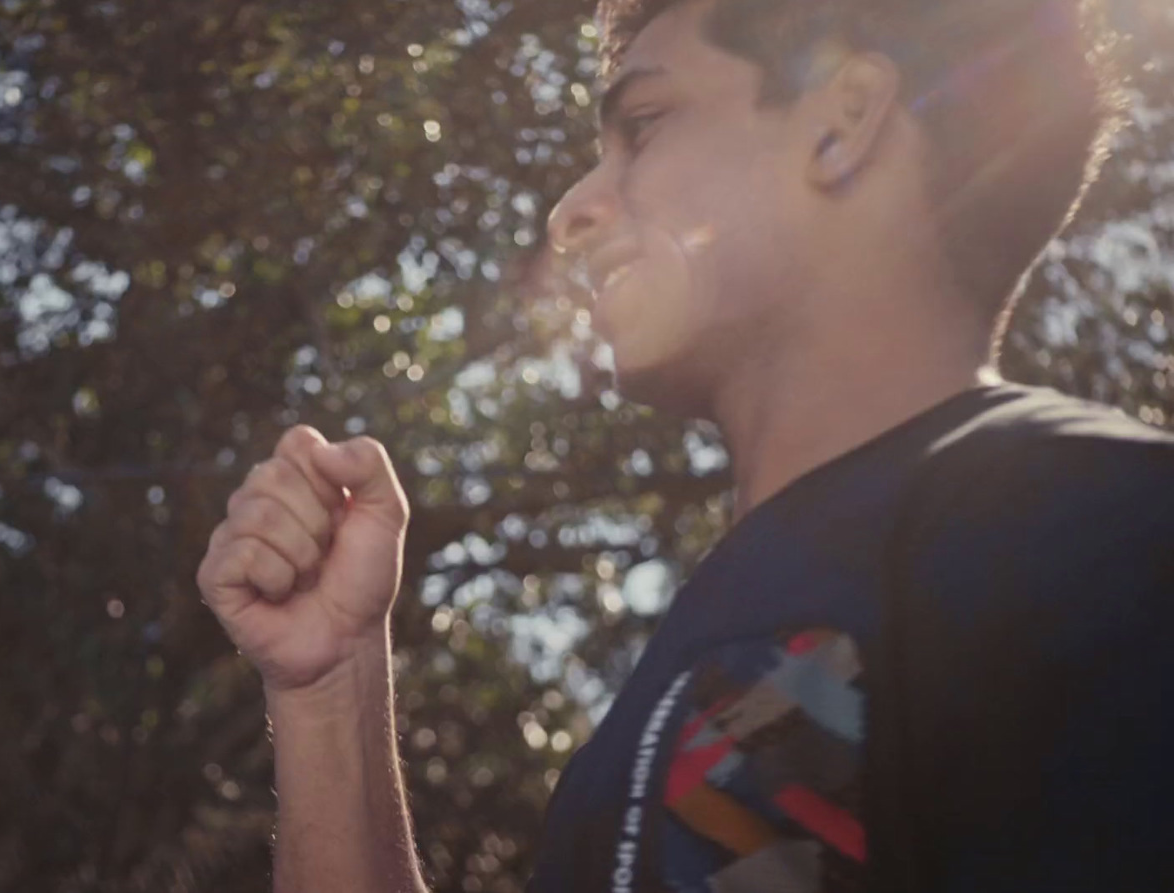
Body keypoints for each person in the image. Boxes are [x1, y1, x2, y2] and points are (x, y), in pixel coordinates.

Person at [195, 0, 1174, 890]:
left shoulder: (1108, 537)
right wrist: (329, 689)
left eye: (644, 126)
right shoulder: (698, 648)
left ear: (843, 123)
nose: (570, 210)